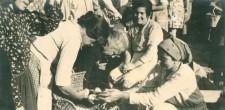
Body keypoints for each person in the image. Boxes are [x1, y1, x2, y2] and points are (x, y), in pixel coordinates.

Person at [30, 11, 110, 110]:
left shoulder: (69, 24)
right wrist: (76, 95)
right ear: (89, 32)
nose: (91, 45)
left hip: (31, 54)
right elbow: (61, 81)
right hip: (37, 64)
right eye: (93, 41)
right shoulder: (75, 38)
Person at [99, 38, 208, 110]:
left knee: (156, 107)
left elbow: (154, 97)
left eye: (163, 59)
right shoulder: (162, 67)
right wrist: (118, 95)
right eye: (159, 57)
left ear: (176, 59)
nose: (159, 61)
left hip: (192, 108)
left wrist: (122, 95)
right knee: (142, 104)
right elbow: (144, 87)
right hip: (175, 106)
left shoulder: (183, 73)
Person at [0, 0, 62, 109]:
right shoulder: (2, 17)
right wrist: (17, 102)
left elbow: (49, 25)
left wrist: (51, 3)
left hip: (24, 79)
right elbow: (3, 66)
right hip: (8, 84)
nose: (29, 1)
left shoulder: (23, 15)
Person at [109, 0, 163, 90]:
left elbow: (151, 52)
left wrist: (133, 65)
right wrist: (127, 63)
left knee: (127, 80)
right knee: (112, 75)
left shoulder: (154, 27)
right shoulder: (133, 27)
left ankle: (124, 98)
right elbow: (128, 48)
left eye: (142, 13)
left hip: (148, 61)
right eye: (136, 13)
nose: (138, 16)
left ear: (148, 14)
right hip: (133, 58)